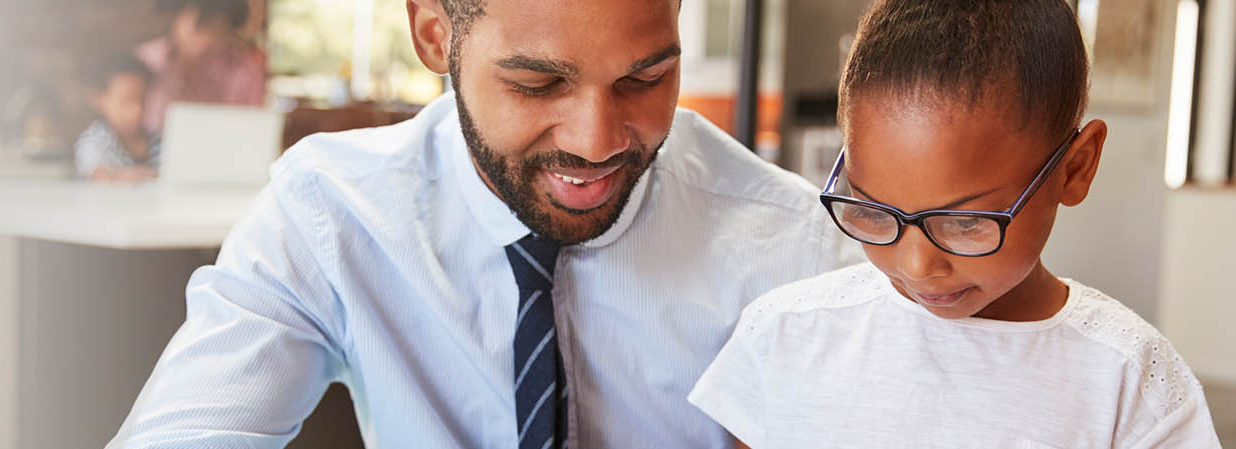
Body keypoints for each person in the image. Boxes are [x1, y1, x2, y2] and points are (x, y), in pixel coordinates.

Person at [105, 0, 858, 447]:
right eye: (537, 83)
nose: (596, 141)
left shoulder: (793, 246)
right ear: (435, 33)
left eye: (645, 78)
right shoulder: (329, 212)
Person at [685, 0, 1220, 447]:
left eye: (965, 223)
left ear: (1075, 169)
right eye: (874, 209)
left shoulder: (1131, 380)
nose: (917, 265)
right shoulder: (786, 335)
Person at [136, 0, 267, 135]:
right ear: (176, 16)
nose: (207, 40)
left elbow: (250, 132)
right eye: (201, 26)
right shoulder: (142, 64)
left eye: (218, 31)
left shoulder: (241, 72)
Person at [76, 55, 161, 182]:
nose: (137, 109)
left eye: (142, 100)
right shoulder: (94, 141)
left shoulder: (158, 140)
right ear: (99, 100)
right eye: (127, 100)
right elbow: (99, 175)